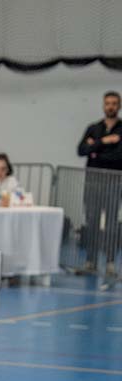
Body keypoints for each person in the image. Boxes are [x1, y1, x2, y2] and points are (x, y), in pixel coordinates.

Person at [77, 90, 122, 273]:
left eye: (114, 103)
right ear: (103, 105)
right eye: (108, 103)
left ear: (119, 106)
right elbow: (81, 150)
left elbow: (118, 156)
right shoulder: (93, 128)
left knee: (111, 223)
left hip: (114, 182)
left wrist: (94, 148)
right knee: (92, 221)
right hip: (93, 182)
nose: (110, 107)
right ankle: (90, 261)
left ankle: (110, 262)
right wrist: (104, 141)